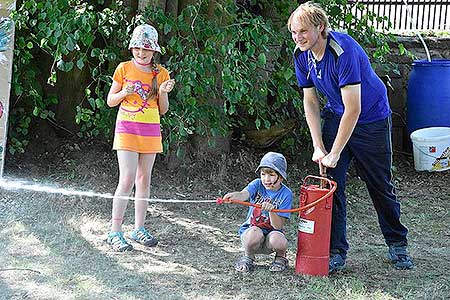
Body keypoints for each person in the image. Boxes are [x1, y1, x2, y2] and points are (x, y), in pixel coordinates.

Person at [288, 2, 414, 273]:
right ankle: (335, 252)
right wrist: (319, 146)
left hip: (371, 119)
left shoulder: (343, 51)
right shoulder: (301, 55)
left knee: (380, 184)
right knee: (331, 188)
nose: (298, 38)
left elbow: (354, 108)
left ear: (320, 27)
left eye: (303, 31)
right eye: (294, 32)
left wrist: (336, 152)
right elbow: (309, 101)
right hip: (336, 115)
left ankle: (397, 243)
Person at [106, 24, 175, 252]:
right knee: (126, 179)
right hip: (127, 129)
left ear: (154, 51)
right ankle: (115, 232)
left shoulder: (161, 74)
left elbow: (162, 109)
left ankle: (138, 228)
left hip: (151, 130)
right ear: (132, 48)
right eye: (137, 48)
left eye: (145, 49)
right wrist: (124, 92)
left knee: (144, 180)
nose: (141, 53)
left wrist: (163, 92)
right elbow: (110, 101)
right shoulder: (123, 68)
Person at [222, 152, 293, 273]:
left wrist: (272, 211)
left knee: (278, 239)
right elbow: (243, 194)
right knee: (254, 232)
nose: (266, 179)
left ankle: (281, 257)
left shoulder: (286, 194)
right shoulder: (257, 184)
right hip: (253, 234)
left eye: (271, 175)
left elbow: (278, 226)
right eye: (263, 174)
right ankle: (248, 256)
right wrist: (234, 196)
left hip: (271, 236)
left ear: (280, 177)